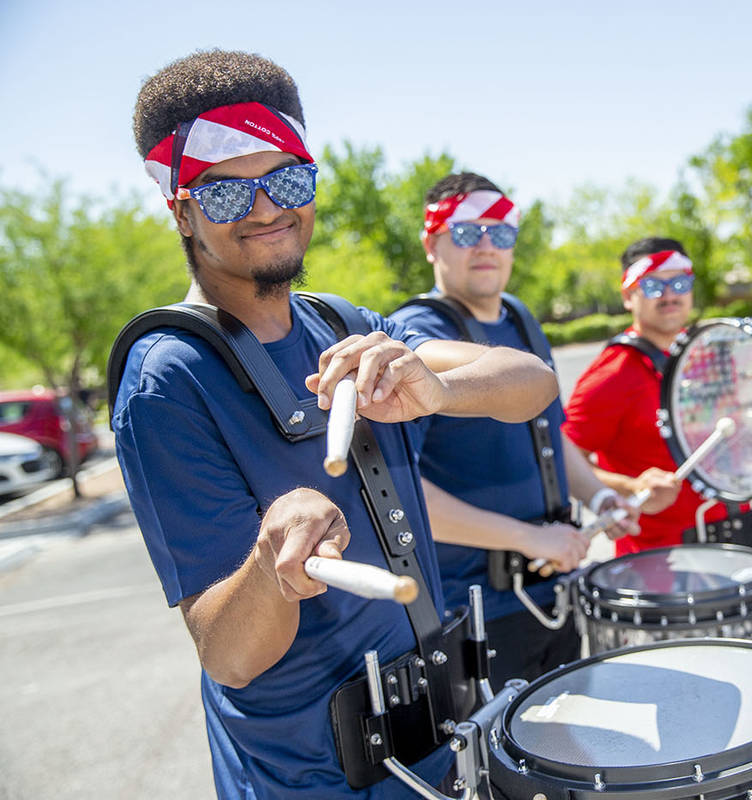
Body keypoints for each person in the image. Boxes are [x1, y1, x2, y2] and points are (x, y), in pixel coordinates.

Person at [113, 51, 559, 798]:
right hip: (315, 777)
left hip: (436, 742)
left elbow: (532, 384)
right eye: (226, 195)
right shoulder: (167, 378)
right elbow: (229, 656)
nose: (265, 210)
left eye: (286, 179)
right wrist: (269, 564)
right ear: (179, 208)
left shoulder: (341, 324)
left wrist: (439, 392)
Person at [388, 172, 641, 683]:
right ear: (430, 241)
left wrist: (599, 498)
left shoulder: (521, 319)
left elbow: (550, 435)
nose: (486, 246)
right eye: (466, 232)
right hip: (474, 616)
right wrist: (530, 538)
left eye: (500, 233)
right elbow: (399, 496)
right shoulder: (413, 337)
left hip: (555, 588)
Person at [563, 237, 752, 557]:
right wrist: (632, 488)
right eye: (654, 286)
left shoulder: (707, 353)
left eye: (680, 283)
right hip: (660, 561)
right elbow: (564, 459)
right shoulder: (612, 374)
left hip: (736, 536)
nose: (670, 295)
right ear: (629, 295)